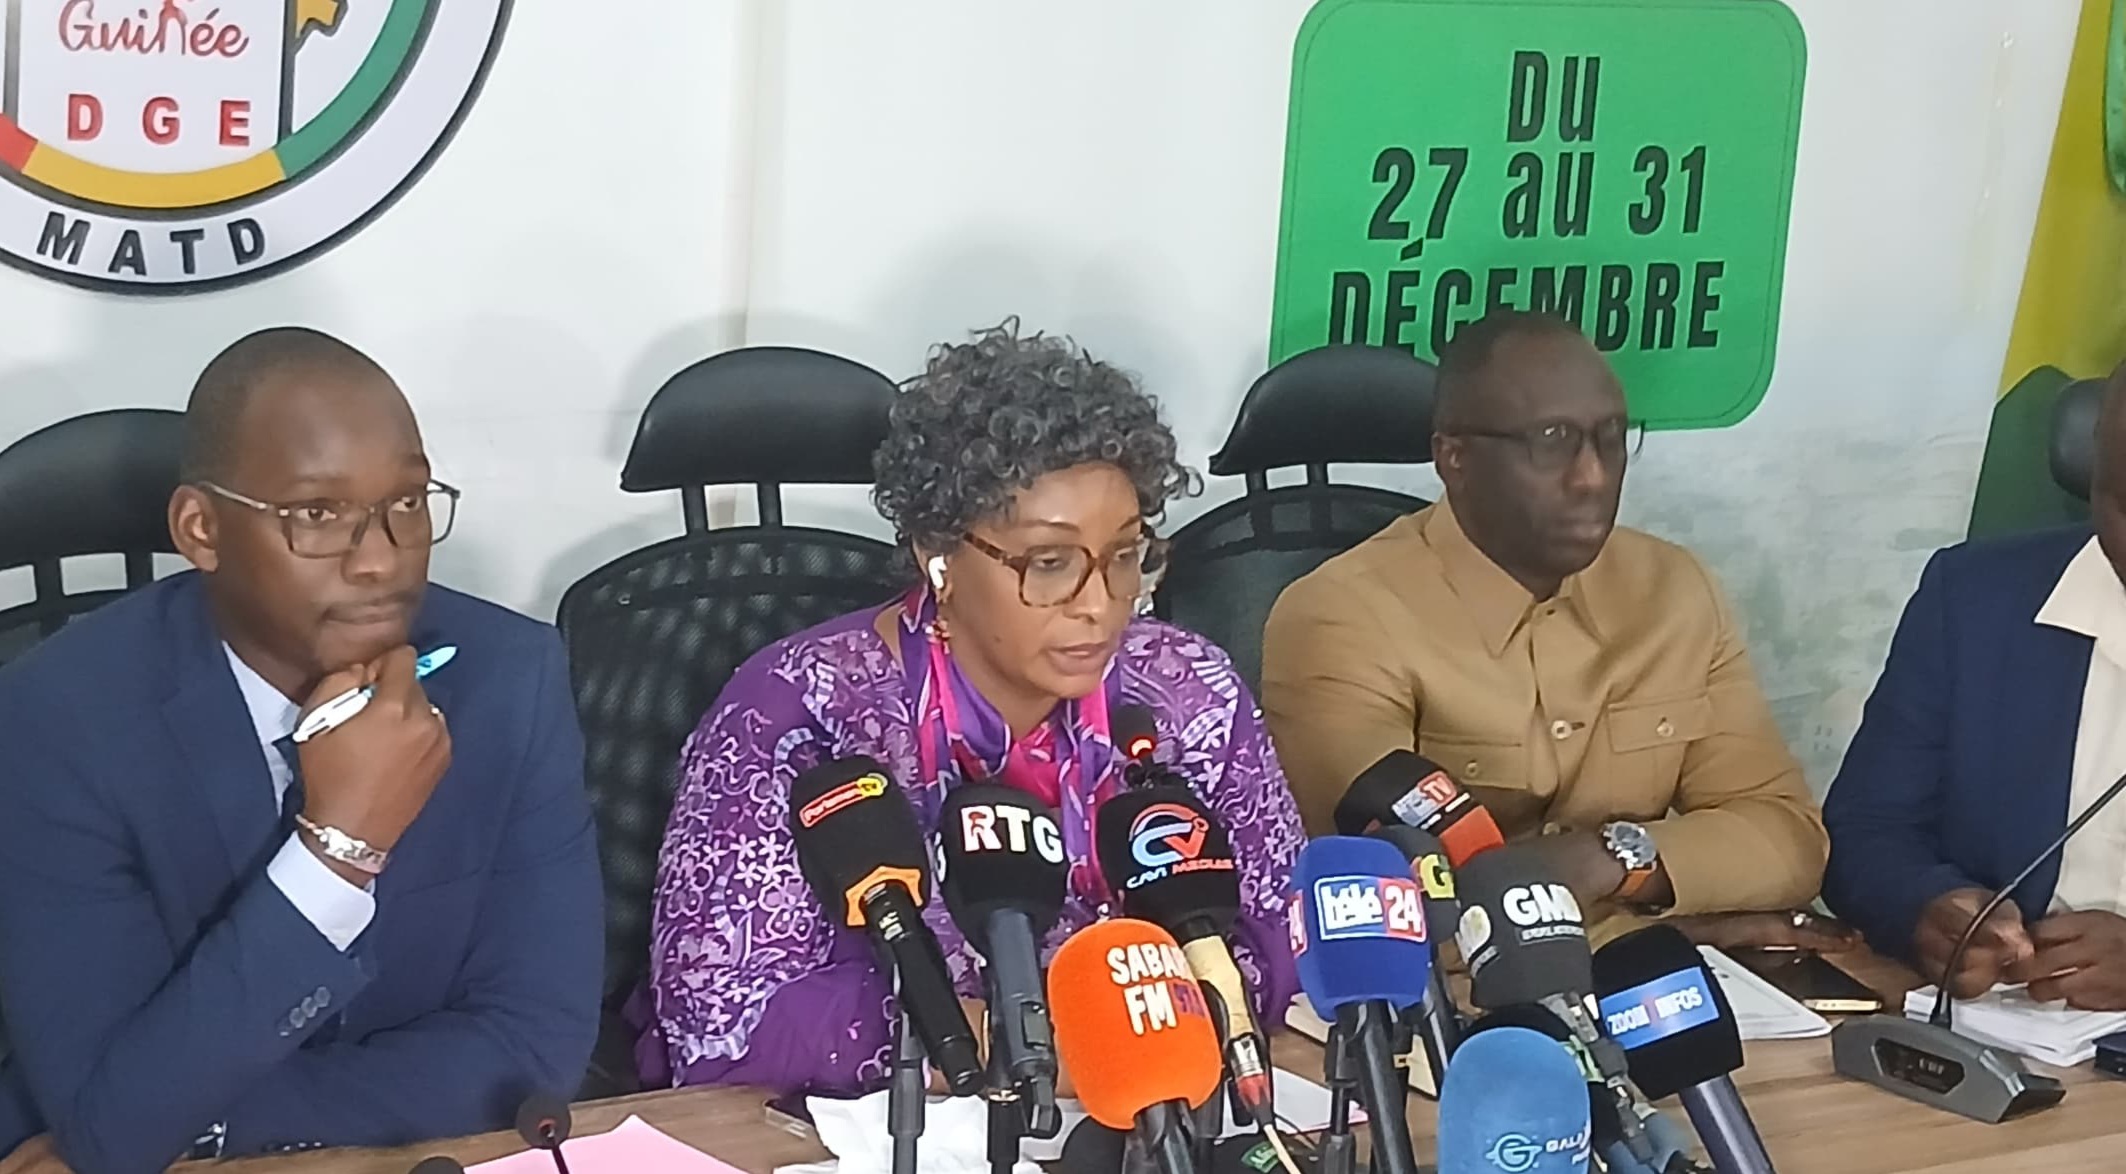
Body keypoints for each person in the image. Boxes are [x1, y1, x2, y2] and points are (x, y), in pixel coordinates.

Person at [635, 321, 1305, 1094]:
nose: (1099, 604)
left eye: (1125, 557)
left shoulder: (1189, 692)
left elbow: (1283, 936)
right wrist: (1041, 1044)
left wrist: (1130, 1043)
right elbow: (726, 1024)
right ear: (939, 557)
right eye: (1049, 563)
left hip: (1157, 1104)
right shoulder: (798, 717)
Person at [0, 328, 601, 1173]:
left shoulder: (511, 677)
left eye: (408, 503)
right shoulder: (58, 721)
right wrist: (337, 856)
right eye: (318, 515)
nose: (381, 560)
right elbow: (106, 1113)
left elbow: (534, 1046)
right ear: (201, 529)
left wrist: (194, 1119)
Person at [1260, 310, 1834, 947]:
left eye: (1610, 437)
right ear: (1454, 457)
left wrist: (1606, 861)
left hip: (1647, 982)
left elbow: (1789, 840)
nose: (1592, 476)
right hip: (1465, 996)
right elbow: (1388, 905)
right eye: (1552, 440)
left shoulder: (1675, 590)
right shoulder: (1342, 616)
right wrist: (1681, 922)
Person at [1823, 363, 2126, 1009]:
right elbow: (1868, 829)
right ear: (2096, 455)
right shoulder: (1975, 600)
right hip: (2005, 1026)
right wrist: (1929, 909)